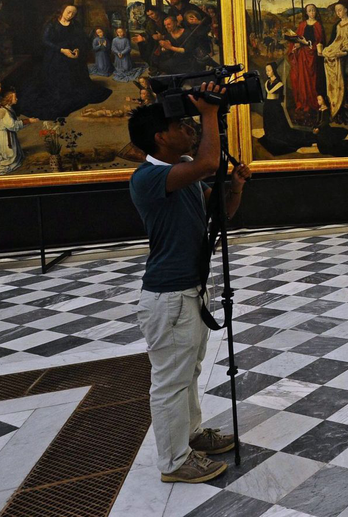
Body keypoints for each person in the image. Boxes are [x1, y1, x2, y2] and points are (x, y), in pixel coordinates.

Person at [127, 84, 250, 485]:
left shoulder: (181, 171)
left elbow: (221, 212)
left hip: (188, 290)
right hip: (168, 295)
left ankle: (191, 435)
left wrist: (235, 187)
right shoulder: (149, 177)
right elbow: (207, 162)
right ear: (160, 137)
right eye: (180, 124)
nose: (189, 128)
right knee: (170, 381)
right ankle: (174, 461)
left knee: (189, 372)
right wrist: (209, 112)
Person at [18, 4, 111, 120]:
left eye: (73, 13)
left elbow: (81, 40)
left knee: (78, 83)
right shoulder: (52, 24)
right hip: (56, 55)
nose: (70, 15)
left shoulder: (75, 24)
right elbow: (45, 40)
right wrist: (61, 50)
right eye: (68, 12)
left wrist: (77, 50)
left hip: (72, 55)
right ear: (62, 11)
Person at [319, 0, 348, 127]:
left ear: (346, 10)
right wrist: (326, 50)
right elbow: (333, 41)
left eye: (340, 10)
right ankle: (338, 113)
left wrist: (346, 51)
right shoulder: (337, 26)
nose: (338, 13)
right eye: (336, 11)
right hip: (338, 58)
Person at [257, 63, 313, 155]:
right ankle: (270, 136)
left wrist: (277, 105)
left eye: (269, 70)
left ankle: (276, 138)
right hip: (267, 105)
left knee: (279, 125)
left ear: (274, 70)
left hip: (275, 106)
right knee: (268, 123)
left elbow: (280, 98)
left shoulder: (279, 84)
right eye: (266, 70)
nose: (267, 72)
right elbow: (267, 94)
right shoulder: (267, 82)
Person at [287, 4, 326, 126]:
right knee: (301, 79)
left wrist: (307, 43)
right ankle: (303, 103)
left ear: (316, 12)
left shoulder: (318, 25)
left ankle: (313, 103)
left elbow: (320, 42)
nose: (312, 12)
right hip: (302, 56)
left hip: (312, 56)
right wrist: (296, 45)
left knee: (312, 80)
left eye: (313, 10)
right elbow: (296, 38)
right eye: (309, 11)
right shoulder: (302, 25)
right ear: (306, 13)